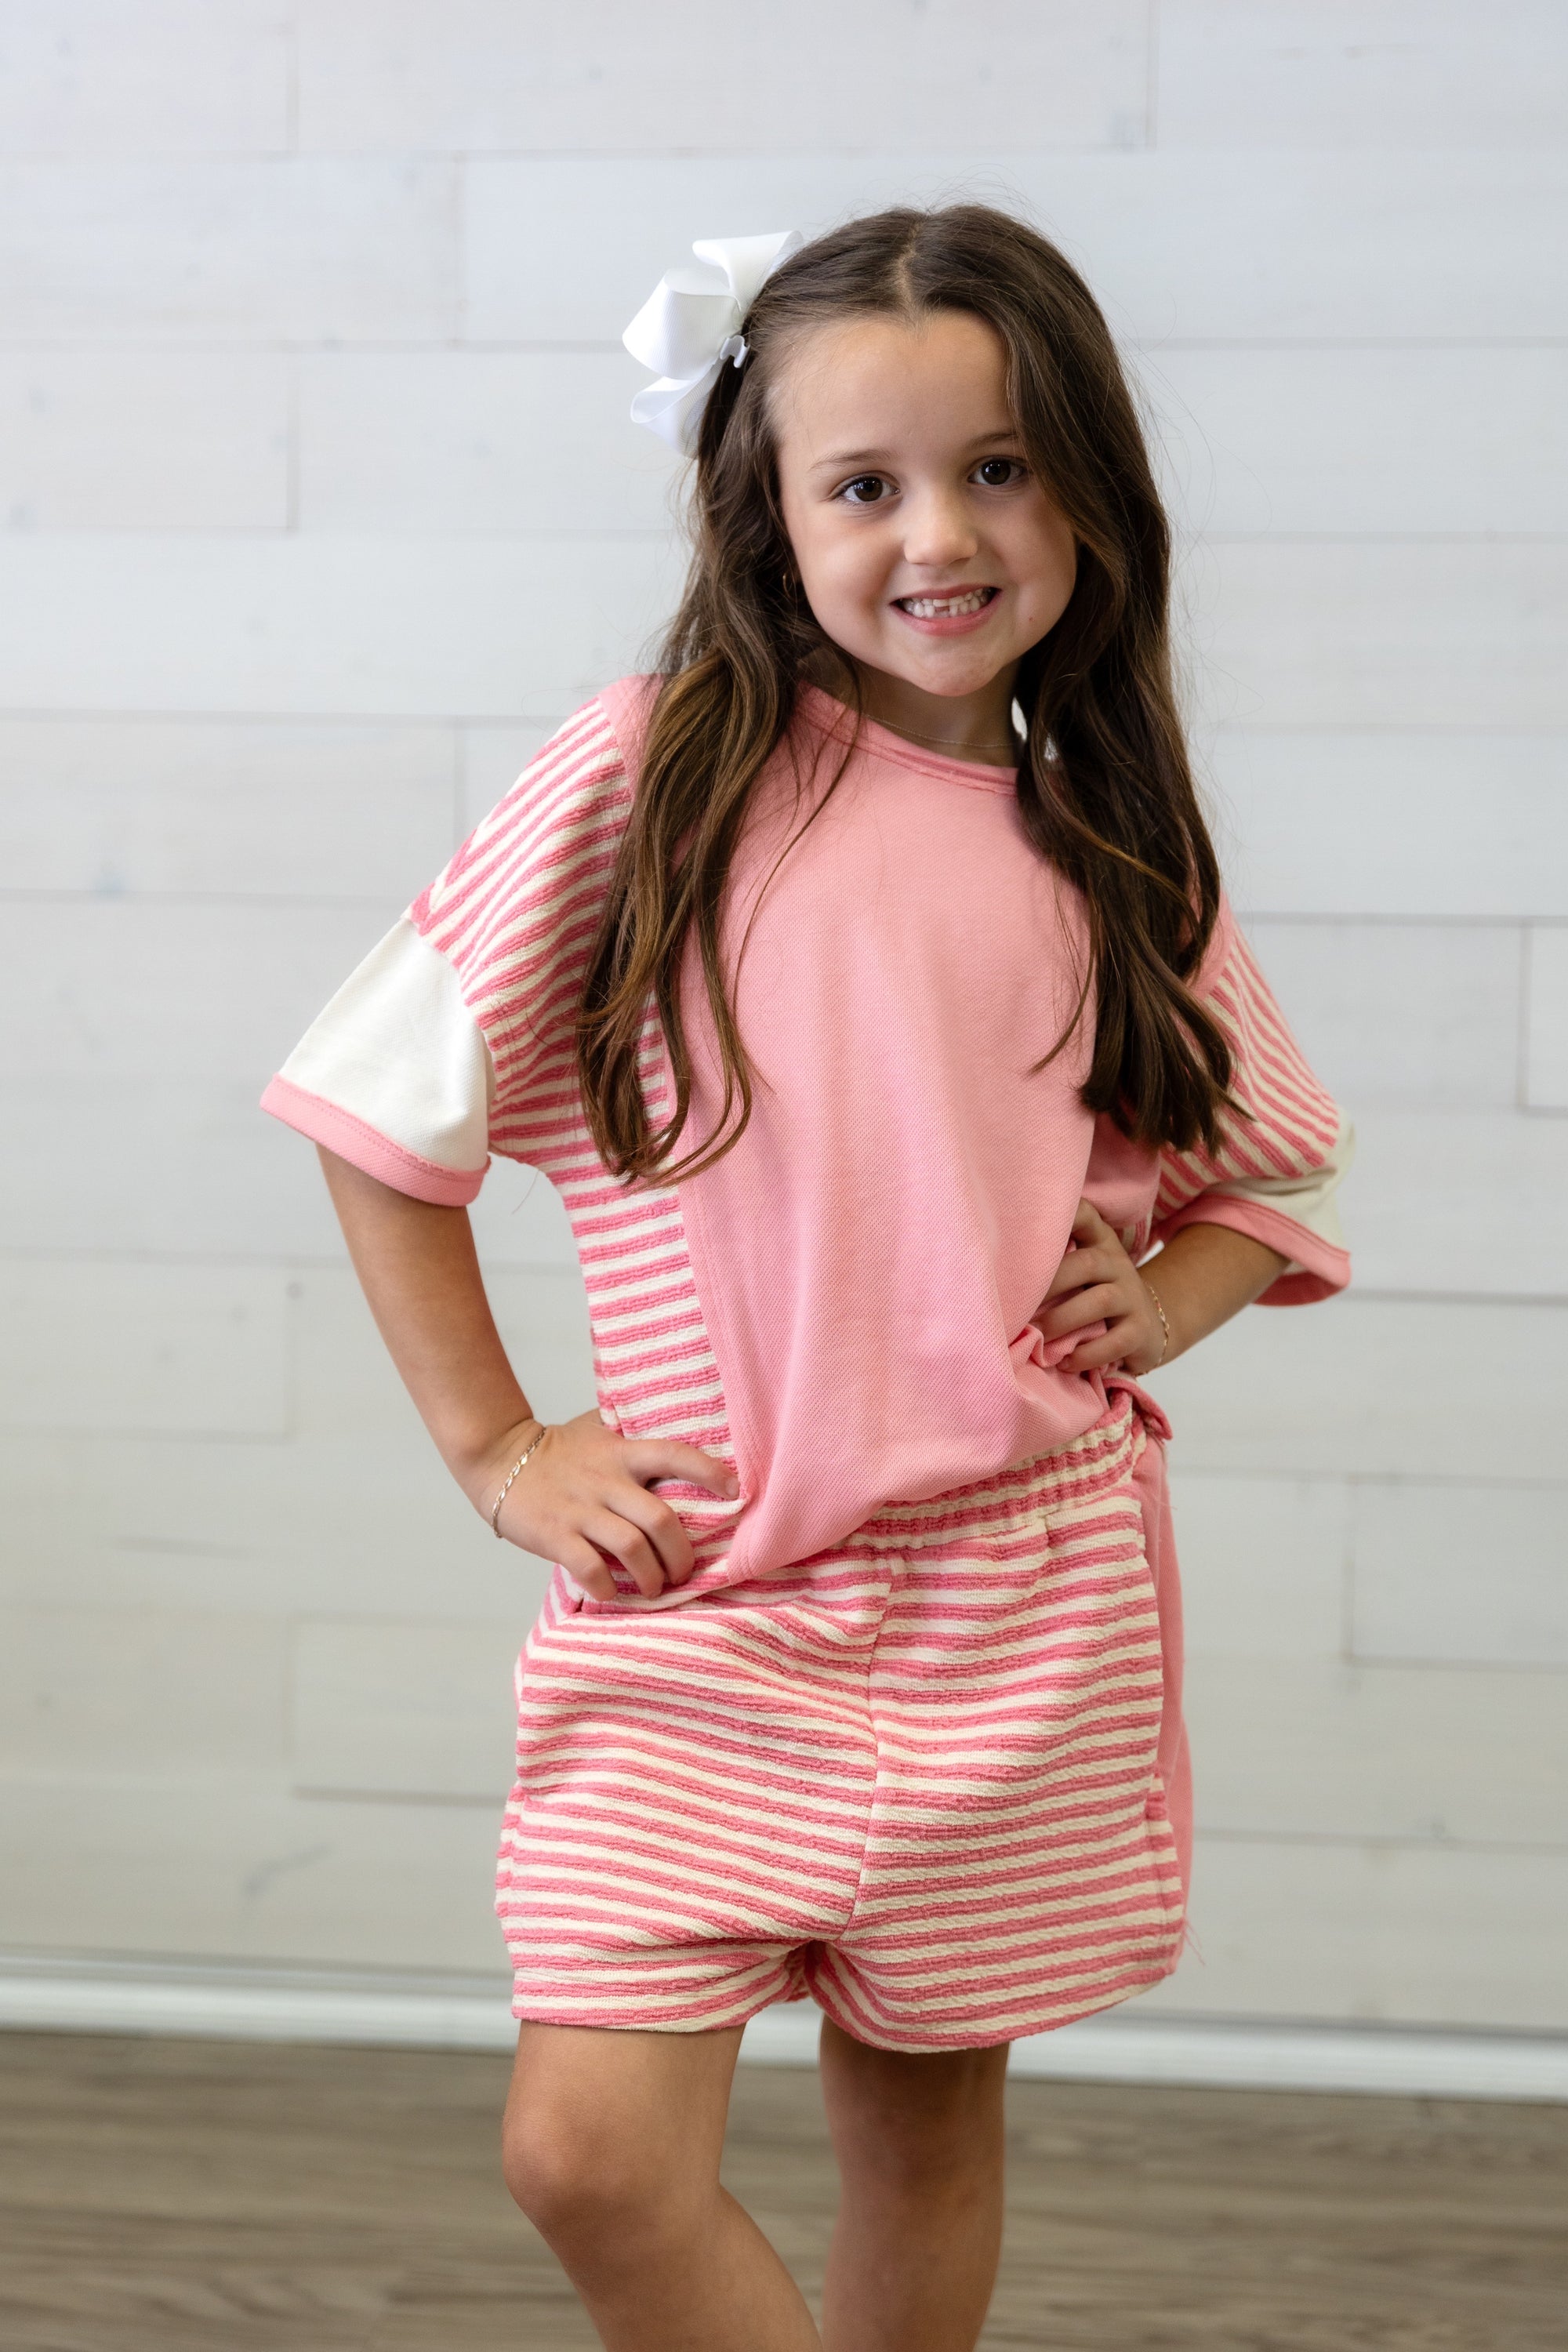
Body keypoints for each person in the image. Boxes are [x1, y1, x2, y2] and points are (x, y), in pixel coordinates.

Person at [263, 205, 1352, 2352]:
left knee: (923, 2137)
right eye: (866, 483)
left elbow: (1268, 1171)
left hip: (1018, 1607)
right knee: (588, 2156)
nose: (939, 534)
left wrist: (1173, 1297)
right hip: (710, 1600)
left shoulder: (1116, 850)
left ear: (1090, 493)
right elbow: (379, 1115)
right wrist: (500, 1447)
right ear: (766, 514)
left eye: (999, 468)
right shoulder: (651, 776)